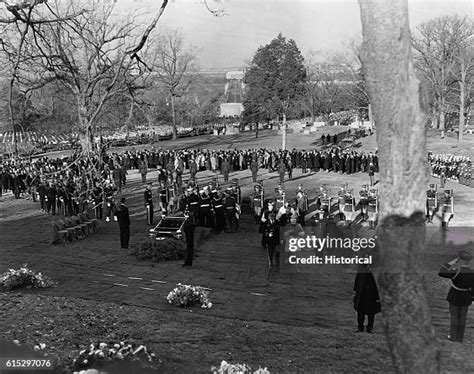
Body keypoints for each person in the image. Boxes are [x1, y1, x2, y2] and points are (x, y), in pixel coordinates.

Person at [438, 250, 474, 342]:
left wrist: (453, 262)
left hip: (454, 295)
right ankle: (460, 338)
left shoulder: (456, 271)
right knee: (463, 317)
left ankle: (453, 338)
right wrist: (473, 297)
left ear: (460, 260)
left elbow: (441, 272)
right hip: (466, 296)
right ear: (469, 261)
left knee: (454, 316)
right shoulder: (472, 272)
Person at [353, 263, 381, 333]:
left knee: (371, 312)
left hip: (372, 293)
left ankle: (369, 328)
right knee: (360, 310)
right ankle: (360, 327)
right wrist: (356, 291)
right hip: (362, 292)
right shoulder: (362, 267)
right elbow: (358, 279)